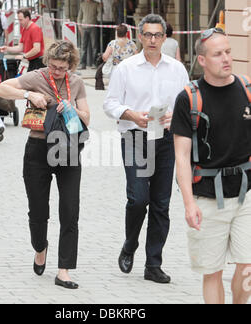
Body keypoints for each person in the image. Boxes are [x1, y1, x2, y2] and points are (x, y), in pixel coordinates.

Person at [0, 40, 90, 289]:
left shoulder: (77, 82)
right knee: (38, 211)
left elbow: (87, 116)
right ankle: (40, 247)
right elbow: (0, 89)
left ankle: (64, 270)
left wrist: (72, 109)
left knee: (70, 210)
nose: (56, 71)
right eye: (53, 66)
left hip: (66, 147)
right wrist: (29, 94)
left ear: (71, 65)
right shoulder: (37, 77)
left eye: (61, 68)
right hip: (37, 148)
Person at [103, 14, 189, 284]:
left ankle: (154, 264)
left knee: (161, 204)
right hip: (135, 137)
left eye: (157, 35)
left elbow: (188, 105)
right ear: (139, 37)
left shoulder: (177, 69)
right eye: (147, 35)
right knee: (139, 199)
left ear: (165, 38)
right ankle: (130, 244)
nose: (152, 40)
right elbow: (110, 103)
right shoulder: (126, 68)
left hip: (165, 140)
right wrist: (130, 114)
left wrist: (174, 115)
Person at [171, 28, 251, 304]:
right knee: (212, 271)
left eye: (228, 51)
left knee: (248, 266)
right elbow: (181, 156)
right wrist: (188, 204)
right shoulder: (188, 98)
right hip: (206, 196)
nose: (226, 58)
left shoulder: (247, 89)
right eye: (218, 54)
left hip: (246, 194)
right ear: (202, 60)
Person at [0, 8, 44, 72]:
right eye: (19, 20)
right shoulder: (24, 29)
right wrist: (7, 48)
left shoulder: (34, 29)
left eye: (21, 20)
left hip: (37, 62)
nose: (20, 22)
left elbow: (37, 49)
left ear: (27, 18)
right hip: (30, 61)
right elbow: (20, 47)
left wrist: (24, 56)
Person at [77, 0, 101, 70]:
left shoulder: (96, 4)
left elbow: (100, 13)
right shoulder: (82, 4)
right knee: (83, 46)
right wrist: (79, 27)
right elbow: (79, 17)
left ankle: (94, 63)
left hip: (93, 26)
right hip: (84, 27)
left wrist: (100, 7)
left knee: (94, 46)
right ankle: (83, 64)